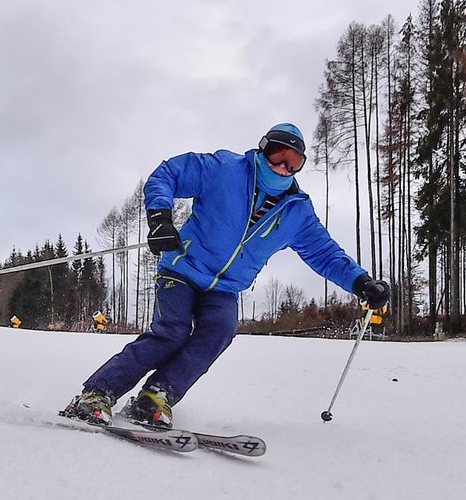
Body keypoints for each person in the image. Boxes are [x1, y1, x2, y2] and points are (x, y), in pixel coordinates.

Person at [63, 123, 390, 429]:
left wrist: (360, 282)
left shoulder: (297, 212)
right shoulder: (225, 170)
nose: (283, 167)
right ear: (263, 150)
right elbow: (168, 174)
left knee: (220, 330)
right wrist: (160, 217)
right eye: (278, 155)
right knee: (171, 333)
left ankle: (154, 397)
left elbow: (325, 254)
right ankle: (97, 393)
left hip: (225, 289)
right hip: (183, 268)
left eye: (294, 162)